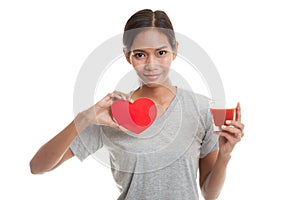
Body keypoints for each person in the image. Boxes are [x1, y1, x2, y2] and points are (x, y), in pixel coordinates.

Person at [30, 9, 245, 200]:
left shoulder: (200, 109)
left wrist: (225, 156)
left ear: (175, 50)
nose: (151, 65)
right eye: (140, 55)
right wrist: (83, 119)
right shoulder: (112, 114)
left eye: (161, 53)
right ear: (128, 57)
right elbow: (37, 167)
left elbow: (209, 194)